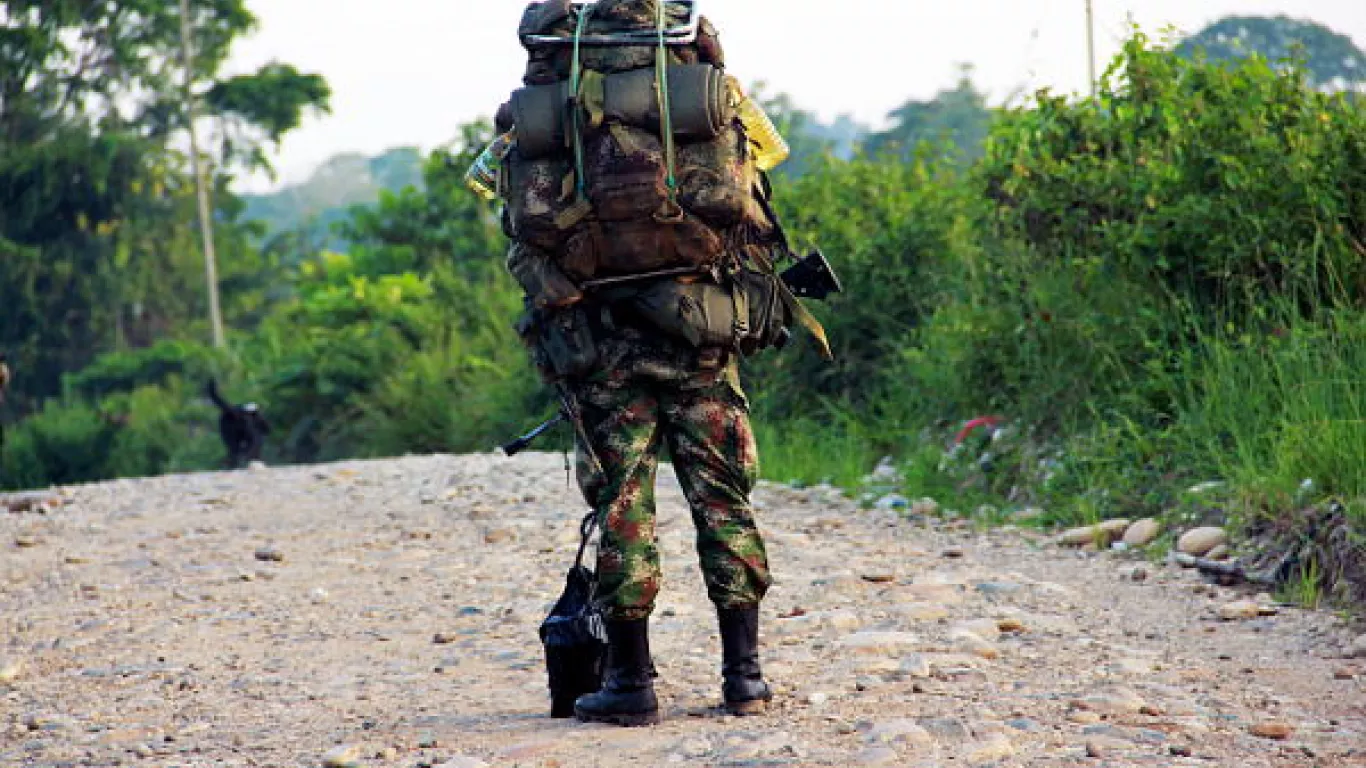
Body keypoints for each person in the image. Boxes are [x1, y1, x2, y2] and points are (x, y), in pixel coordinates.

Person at [492, 0, 829, 727]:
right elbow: (760, 190)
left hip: (602, 348)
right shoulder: (714, 103)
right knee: (725, 503)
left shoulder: (536, 114)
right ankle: (744, 676)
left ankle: (632, 684)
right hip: (701, 336)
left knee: (622, 509)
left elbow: (503, 206)